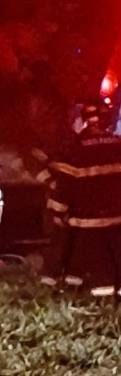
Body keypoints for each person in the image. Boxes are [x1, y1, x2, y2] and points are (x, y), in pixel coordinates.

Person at [41, 103, 121, 296]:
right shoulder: (118, 144)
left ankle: (97, 297)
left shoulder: (75, 149)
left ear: (82, 122)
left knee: (95, 266)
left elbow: (64, 186)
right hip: (118, 218)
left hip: (88, 221)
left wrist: (59, 212)